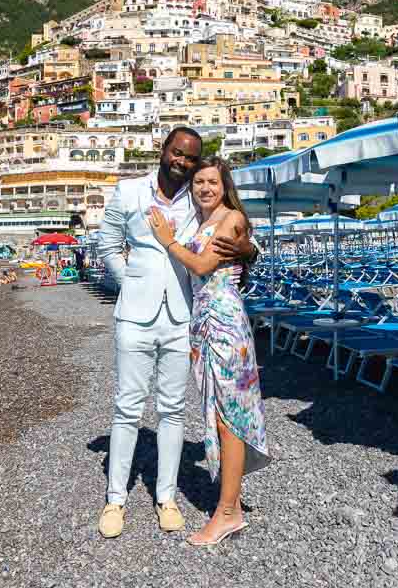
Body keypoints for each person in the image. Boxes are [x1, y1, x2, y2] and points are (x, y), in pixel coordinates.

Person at [96, 127, 254, 539]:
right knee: (127, 406)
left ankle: (165, 497)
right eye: (177, 153)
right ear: (162, 150)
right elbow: (108, 245)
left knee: (172, 409)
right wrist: (127, 282)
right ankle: (116, 499)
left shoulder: (196, 196)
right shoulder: (129, 191)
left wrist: (251, 250)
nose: (182, 162)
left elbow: (232, 227)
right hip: (134, 313)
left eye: (190, 157)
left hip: (184, 316)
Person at [148, 157, 270, 545]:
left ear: (224, 185)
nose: (204, 188)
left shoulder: (231, 218)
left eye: (212, 182)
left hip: (225, 324)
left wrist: (167, 240)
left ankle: (229, 513)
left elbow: (202, 266)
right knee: (219, 415)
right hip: (204, 324)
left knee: (228, 419)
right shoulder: (201, 222)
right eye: (198, 181)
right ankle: (229, 504)